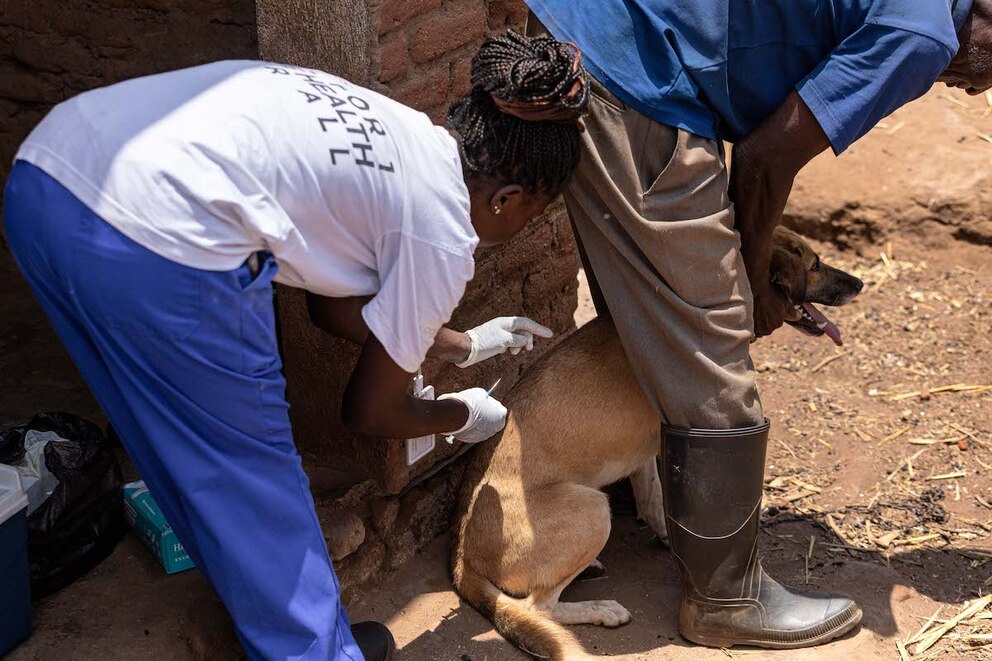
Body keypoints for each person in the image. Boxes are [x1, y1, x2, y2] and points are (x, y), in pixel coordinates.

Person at [2, 31, 589, 660]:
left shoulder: (406, 136)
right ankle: (313, 651)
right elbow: (368, 412)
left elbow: (332, 307)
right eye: (529, 216)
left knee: (179, 453)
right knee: (257, 475)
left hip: (48, 183)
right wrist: (462, 416)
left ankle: (286, 635)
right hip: (160, 238)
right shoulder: (444, 231)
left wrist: (455, 345)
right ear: (506, 199)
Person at [524, 0, 992, 651]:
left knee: (652, 312)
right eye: (983, 80)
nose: (971, 88)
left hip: (587, 33)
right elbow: (766, 157)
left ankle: (646, 501)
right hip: (632, 69)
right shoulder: (922, 33)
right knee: (710, 332)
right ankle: (725, 598)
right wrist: (749, 287)